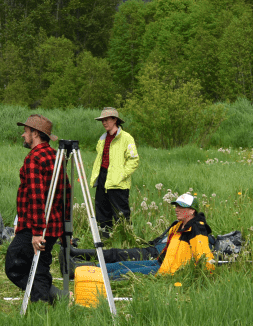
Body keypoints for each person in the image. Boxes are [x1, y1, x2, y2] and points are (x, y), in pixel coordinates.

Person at [4, 114, 68, 304]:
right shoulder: (56, 155)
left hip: (35, 226)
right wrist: (66, 226)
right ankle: (54, 301)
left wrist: (37, 232)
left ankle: (43, 304)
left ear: (36, 133)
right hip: (54, 225)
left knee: (14, 264)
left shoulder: (34, 158)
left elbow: (37, 196)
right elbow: (66, 190)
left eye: (26, 131)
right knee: (39, 267)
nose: (23, 135)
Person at [93, 194, 215, 279]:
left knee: (121, 273)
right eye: (176, 206)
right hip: (160, 263)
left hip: (167, 272)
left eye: (181, 207)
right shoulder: (178, 226)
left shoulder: (197, 228)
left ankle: (90, 279)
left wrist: (209, 275)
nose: (176, 209)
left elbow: (203, 253)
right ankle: (83, 269)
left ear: (192, 211)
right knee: (118, 265)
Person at [88, 107, 140, 236]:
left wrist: (121, 175)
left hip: (118, 181)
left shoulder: (126, 138)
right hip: (102, 177)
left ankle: (124, 240)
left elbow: (134, 160)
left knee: (120, 214)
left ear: (114, 120)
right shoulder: (102, 138)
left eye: (106, 120)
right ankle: (105, 240)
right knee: (102, 211)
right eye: (102, 120)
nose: (104, 123)